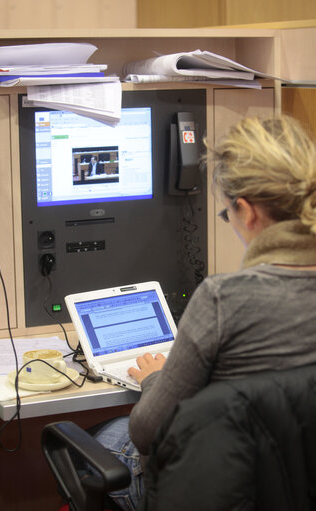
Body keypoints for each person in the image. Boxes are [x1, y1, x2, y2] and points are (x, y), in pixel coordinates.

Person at [80, 115, 316, 511]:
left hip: (231, 489)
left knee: (101, 437)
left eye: (227, 214)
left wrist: (155, 378)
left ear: (248, 211)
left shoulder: (224, 299)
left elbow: (147, 431)